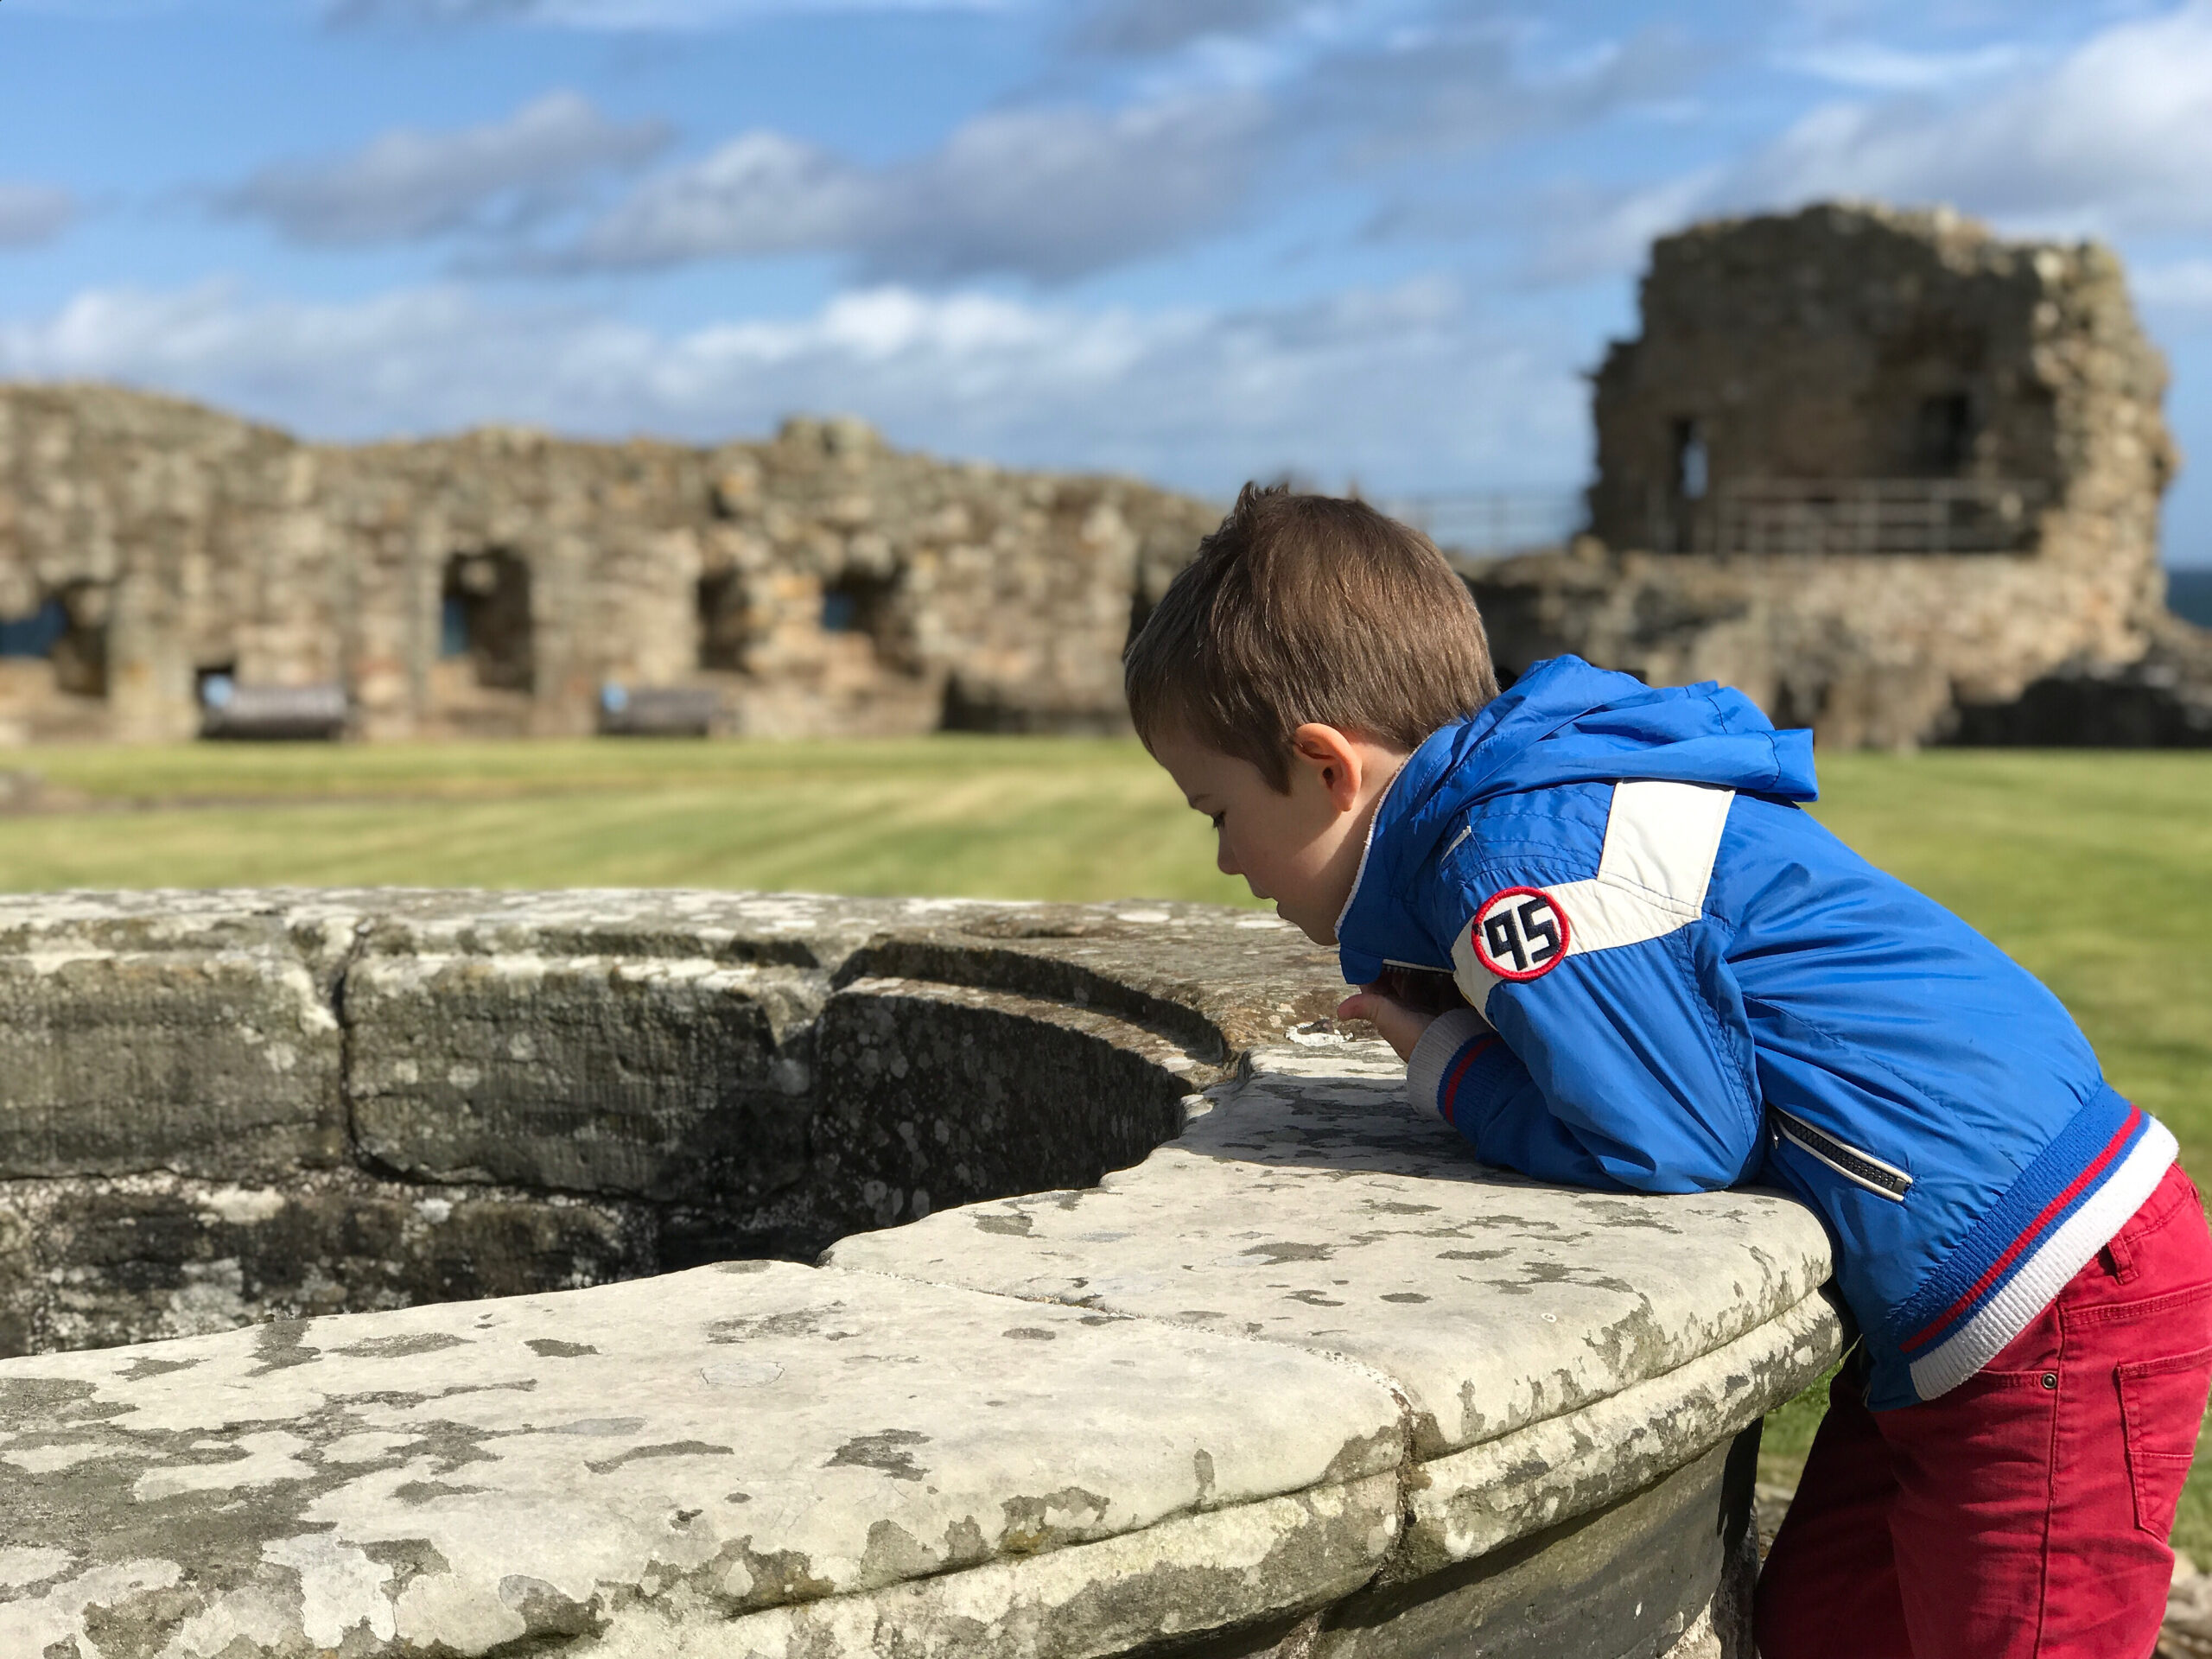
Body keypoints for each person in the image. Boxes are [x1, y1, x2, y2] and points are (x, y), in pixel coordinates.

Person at [1124, 481, 2212, 1659]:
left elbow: (1664, 1135)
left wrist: (1449, 1067)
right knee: (1816, 1633)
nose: (1227, 856)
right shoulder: (1526, 810)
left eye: (1216, 811)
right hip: (1986, 1283)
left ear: (1326, 765)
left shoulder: (1514, 865)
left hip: (2051, 1296)